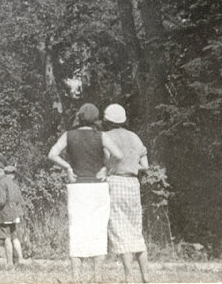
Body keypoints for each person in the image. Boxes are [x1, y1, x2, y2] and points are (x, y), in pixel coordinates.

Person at [49, 104, 124, 282]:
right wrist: (106, 168)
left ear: (79, 117)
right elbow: (119, 155)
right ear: (96, 119)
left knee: (77, 230)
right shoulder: (101, 136)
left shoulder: (69, 135)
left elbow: (52, 154)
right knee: (98, 229)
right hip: (98, 186)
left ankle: (76, 278)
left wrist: (67, 167)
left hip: (77, 187)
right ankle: (97, 278)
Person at [103, 104, 149, 282]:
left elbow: (105, 162)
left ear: (108, 121)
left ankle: (129, 276)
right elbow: (145, 166)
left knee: (119, 229)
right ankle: (145, 275)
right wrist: (131, 165)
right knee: (135, 229)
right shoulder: (135, 137)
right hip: (133, 183)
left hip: (116, 182)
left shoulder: (107, 137)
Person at [0, 165, 25, 268]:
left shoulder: (1, 183)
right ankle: (20, 259)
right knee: (15, 237)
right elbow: (19, 200)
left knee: (6, 238)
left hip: (5, 214)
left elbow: (1, 201)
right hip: (15, 213)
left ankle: (9, 262)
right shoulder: (14, 184)